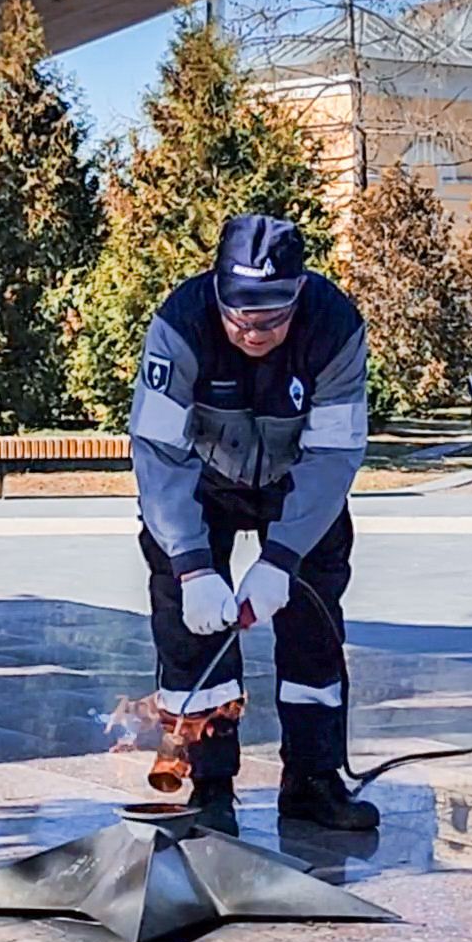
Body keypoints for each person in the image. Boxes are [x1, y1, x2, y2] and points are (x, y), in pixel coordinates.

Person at [128, 214, 378, 836]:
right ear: (217, 290)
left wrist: (284, 558)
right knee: (192, 629)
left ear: (299, 292)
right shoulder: (180, 323)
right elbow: (158, 451)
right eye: (240, 314)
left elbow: (334, 454)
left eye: (271, 316)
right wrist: (190, 563)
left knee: (314, 625)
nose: (253, 330)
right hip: (201, 481)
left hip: (298, 481)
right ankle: (209, 783)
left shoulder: (335, 326)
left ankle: (313, 780)